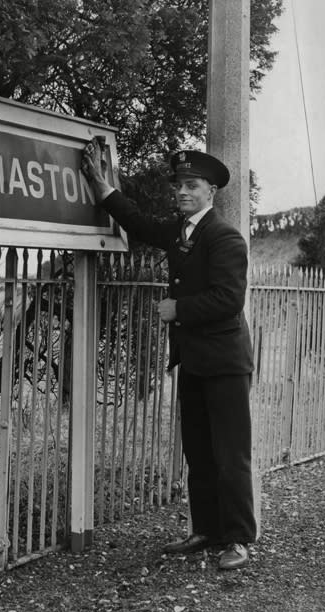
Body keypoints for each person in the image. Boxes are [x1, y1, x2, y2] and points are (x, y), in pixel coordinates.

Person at [81, 139, 256, 570]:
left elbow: (229, 299)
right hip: (194, 359)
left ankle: (237, 539)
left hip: (226, 362)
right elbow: (138, 223)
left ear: (210, 192)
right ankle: (206, 531)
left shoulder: (224, 237)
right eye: (178, 185)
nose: (181, 192)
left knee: (230, 454)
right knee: (198, 450)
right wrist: (102, 186)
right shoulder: (180, 233)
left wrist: (178, 308)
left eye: (191, 185)